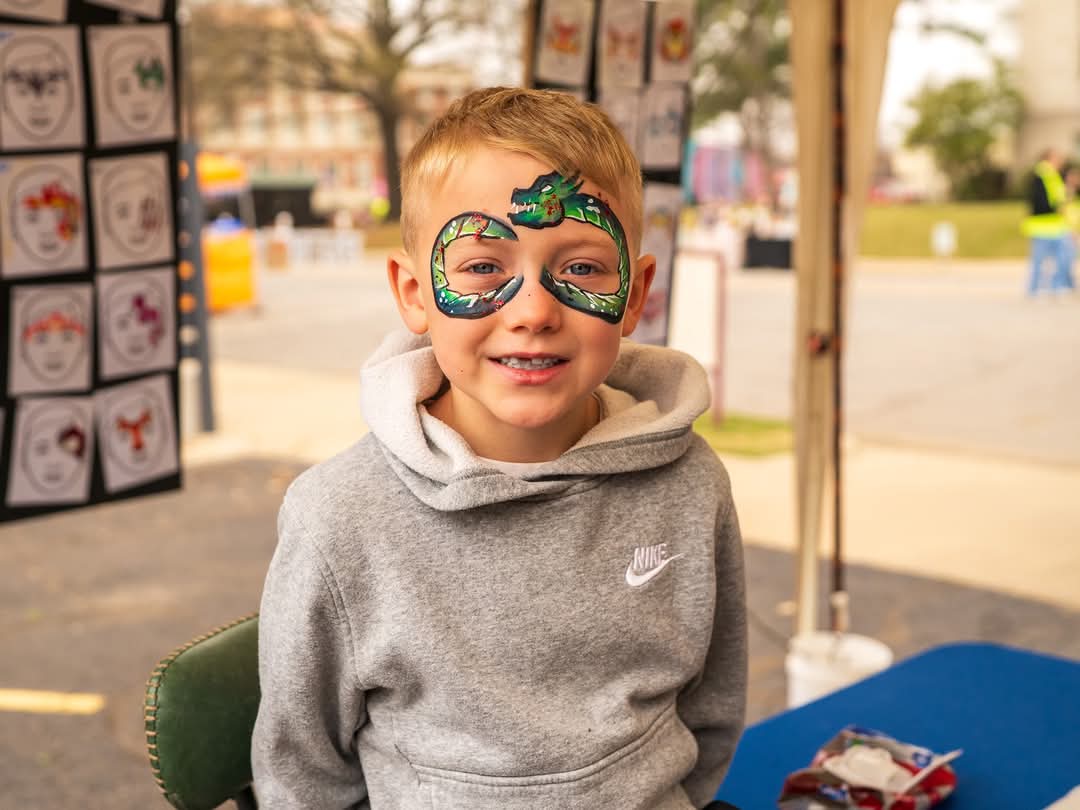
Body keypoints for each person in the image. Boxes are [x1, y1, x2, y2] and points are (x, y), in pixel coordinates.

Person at [252, 87, 747, 810]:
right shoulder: (338, 520)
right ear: (415, 292)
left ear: (635, 294)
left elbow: (710, 714)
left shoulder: (691, 484)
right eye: (483, 267)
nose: (535, 313)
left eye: (580, 269)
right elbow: (303, 776)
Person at [1022, 148, 1072, 296]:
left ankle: (1054, 286)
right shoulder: (1043, 175)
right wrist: (1056, 207)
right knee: (1040, 259)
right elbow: (1040, 201)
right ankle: (1036, 289)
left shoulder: (1054, 175)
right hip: (1043, 224)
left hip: (1055, 224)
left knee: (1062, 257)